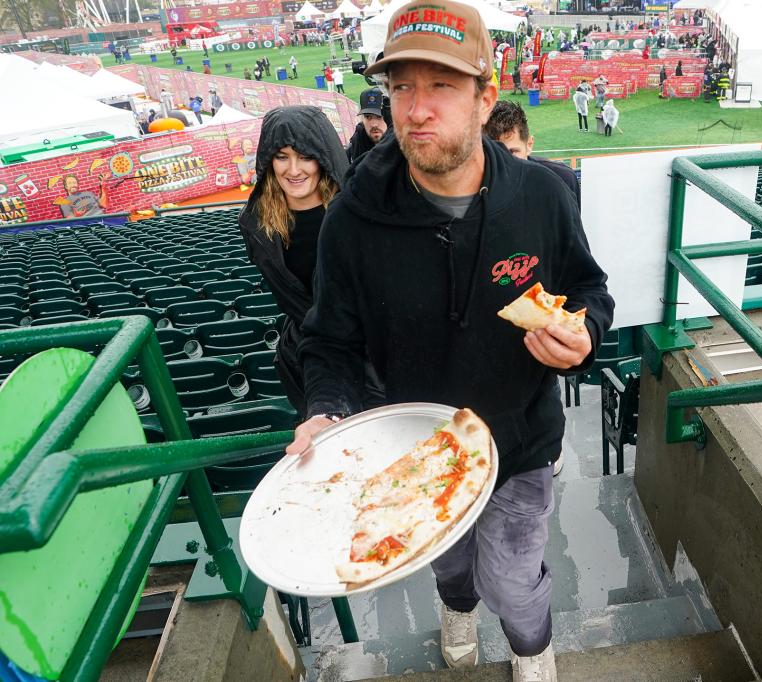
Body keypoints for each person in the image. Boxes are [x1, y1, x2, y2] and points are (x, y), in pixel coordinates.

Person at [287, 2, 613, 680]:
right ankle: (457, 610)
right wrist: (326, 408)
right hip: (422, 449)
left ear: (485, 96)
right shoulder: (352, 218)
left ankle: (532, 648)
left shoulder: (543, 195)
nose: (415, 108)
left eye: (440, 85)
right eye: (402, 86)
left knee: (513, 580)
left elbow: (589, 290)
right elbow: (330, 344)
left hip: (522, 441)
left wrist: (584, 336)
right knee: (453, 566)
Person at [239, 106, 375, 417]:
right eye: (282, 156)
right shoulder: (257, 223)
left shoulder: (359, 211)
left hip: (371, 355)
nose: (294, 169)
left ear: (323, 156)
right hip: (309, 362)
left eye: (305, 156)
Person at [483, 99, 580, 207]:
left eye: (512, 152)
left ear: (529, 144)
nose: (502, 162)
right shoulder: (471, 190)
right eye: (492, 152)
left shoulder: (562, 179)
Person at [345, 87, 390, 163]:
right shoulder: (353, 148)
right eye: (368, 117)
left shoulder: (405, 148)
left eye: (379, 116)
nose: (374, 124)